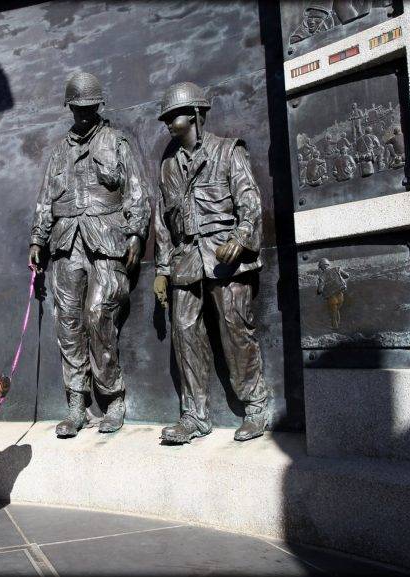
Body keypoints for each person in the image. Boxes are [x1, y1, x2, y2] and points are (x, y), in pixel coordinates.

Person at [29, 71, 150, 437]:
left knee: (98, 315)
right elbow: (44, 203)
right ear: (69, 108)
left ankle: (113, 397)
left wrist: (136, 235)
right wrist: (37, 240)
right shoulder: (58, 153)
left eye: (88, 108)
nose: (82, 114)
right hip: (66, 243)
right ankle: (77, 403)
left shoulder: (117, 142)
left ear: (99, 105)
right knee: (68, 321)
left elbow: (137, 194)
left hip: (107, 241)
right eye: (76, 108)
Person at [152, 81, 267, 444]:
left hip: (225, 259)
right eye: (167, 118)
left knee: (235, 330)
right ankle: (195, 416)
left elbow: (249, 201)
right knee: (185, 335)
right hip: (185, 262)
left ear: (197, 115)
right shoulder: (168, 166)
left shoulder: (228, 151)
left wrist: (241, 237)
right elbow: (162, 222)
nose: (171, 123)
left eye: (177, 116)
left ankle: (256, 406)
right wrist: (161, 269)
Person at [316, 258, 349, 330]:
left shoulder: (322, 276)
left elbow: (320, 290)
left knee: (333, 314)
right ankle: (338, 325)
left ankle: (335, 328)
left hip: (331, 298)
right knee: (337, 310)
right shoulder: (337, 269)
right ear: (328, 264)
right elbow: (347, 276)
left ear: (321, 267)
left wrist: (318, 291)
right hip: (340, 295)